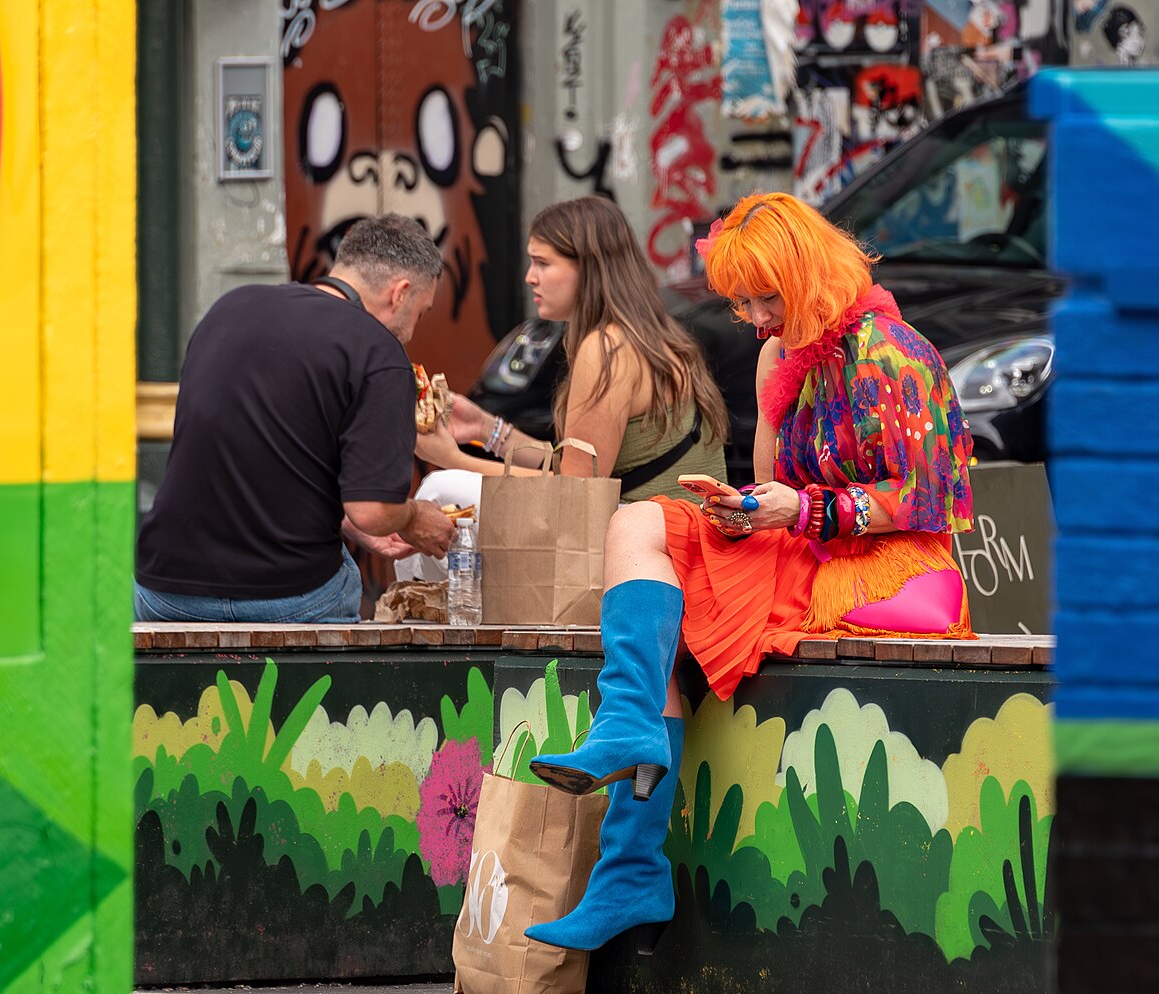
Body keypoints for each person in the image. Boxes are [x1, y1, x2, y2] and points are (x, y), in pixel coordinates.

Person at [522, 192, 976, 954]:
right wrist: (745, 503)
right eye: (744, 301)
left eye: (768, 297)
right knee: (635, 522)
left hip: (877, 565)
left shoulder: (895, 351)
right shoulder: (778, 356)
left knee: (662, 604)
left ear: (811, 277)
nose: (757, 317)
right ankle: (628, 746)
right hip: (797, 544)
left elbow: (922, 501)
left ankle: (630, 864)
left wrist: (797, 511)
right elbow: (775, 484)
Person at [134, 215, 456, 623]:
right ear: (400, 293)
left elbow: (252, 454)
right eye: (420, 314)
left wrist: (346, 520)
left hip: (164, 589)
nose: (411, 333)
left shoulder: (230, 308)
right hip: (290, 596)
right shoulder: (380, 353)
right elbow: (374, 512)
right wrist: (412, 517)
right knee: (344, 578)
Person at [412, 196, 729, 505]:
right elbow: (574, 466)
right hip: (681, 534)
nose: (530, 277)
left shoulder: (607, 347)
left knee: (440, 489)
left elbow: (576, 490)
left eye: (542, 263)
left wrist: (452, 459)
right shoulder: (644, 332)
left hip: (653, 541)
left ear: (589, 268)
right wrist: (486, 428)